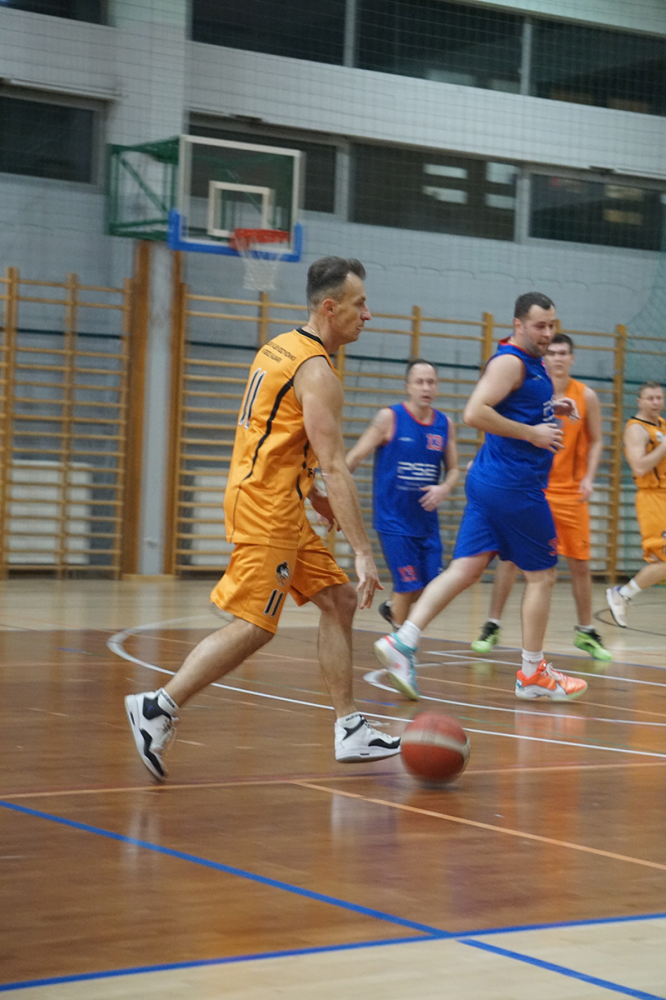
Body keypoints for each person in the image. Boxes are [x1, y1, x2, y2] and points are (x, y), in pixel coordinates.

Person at [125, 256, 401, 780]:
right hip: (267, 510)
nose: (368, 314)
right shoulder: (317, 373)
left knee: (339, 600)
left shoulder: (281, 347)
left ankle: (349, 728)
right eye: (360, 304)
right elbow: (336, 466)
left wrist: (312, 496)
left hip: (276, 500)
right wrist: (364, 552)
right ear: (330, 307)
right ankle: (158, 706)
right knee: (255, 626)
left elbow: (279, 436)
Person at [374, 292, 588, 702]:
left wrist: (549, 409)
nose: (547, 333)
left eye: (552, 325)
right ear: (518, 325)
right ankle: (532, 673)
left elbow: (512, 406)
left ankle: (403, 641)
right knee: (543, 576)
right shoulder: (510, 361)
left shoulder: (532, 363)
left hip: (492, 482)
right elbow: (475, 412)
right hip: (514, 487)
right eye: (539, 326)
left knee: (465, 569)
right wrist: (532, 432)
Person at [472, 333, 611, 662]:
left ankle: (586, 630)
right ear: (545, 357)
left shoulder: (585, 395)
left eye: (564, 353)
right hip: (530, 487)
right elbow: (500, 427)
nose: (558, 358)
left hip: (569, 491)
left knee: (579, 563)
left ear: (572, 358)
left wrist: (589, 477)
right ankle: (492, 624)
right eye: (553, 352)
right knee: (509, 559)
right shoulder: (532, 388)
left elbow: (596, 440)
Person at [346, 359, 459, 630]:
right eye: (419, 382)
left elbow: (454, 470)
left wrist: (443, 488)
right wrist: (329, 491)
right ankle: (398, 644)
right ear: (407, 386)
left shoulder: (444, 424)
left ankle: (392, 609)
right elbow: (355, 457)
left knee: (433, 586)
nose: (426, 387)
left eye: (431, 382)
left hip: (426, 523)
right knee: (407, 585)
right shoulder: (390, 418)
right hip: (394, 521)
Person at [606, 381, 666, 627]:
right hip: (653, 499)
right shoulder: (636, 429)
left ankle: (623, 594)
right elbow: (640, 467)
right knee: (664, 560)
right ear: (639, 401)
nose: (656, 402)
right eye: (650, 398)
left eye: (659, 398)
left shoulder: (662, 425)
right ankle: (622, 594)